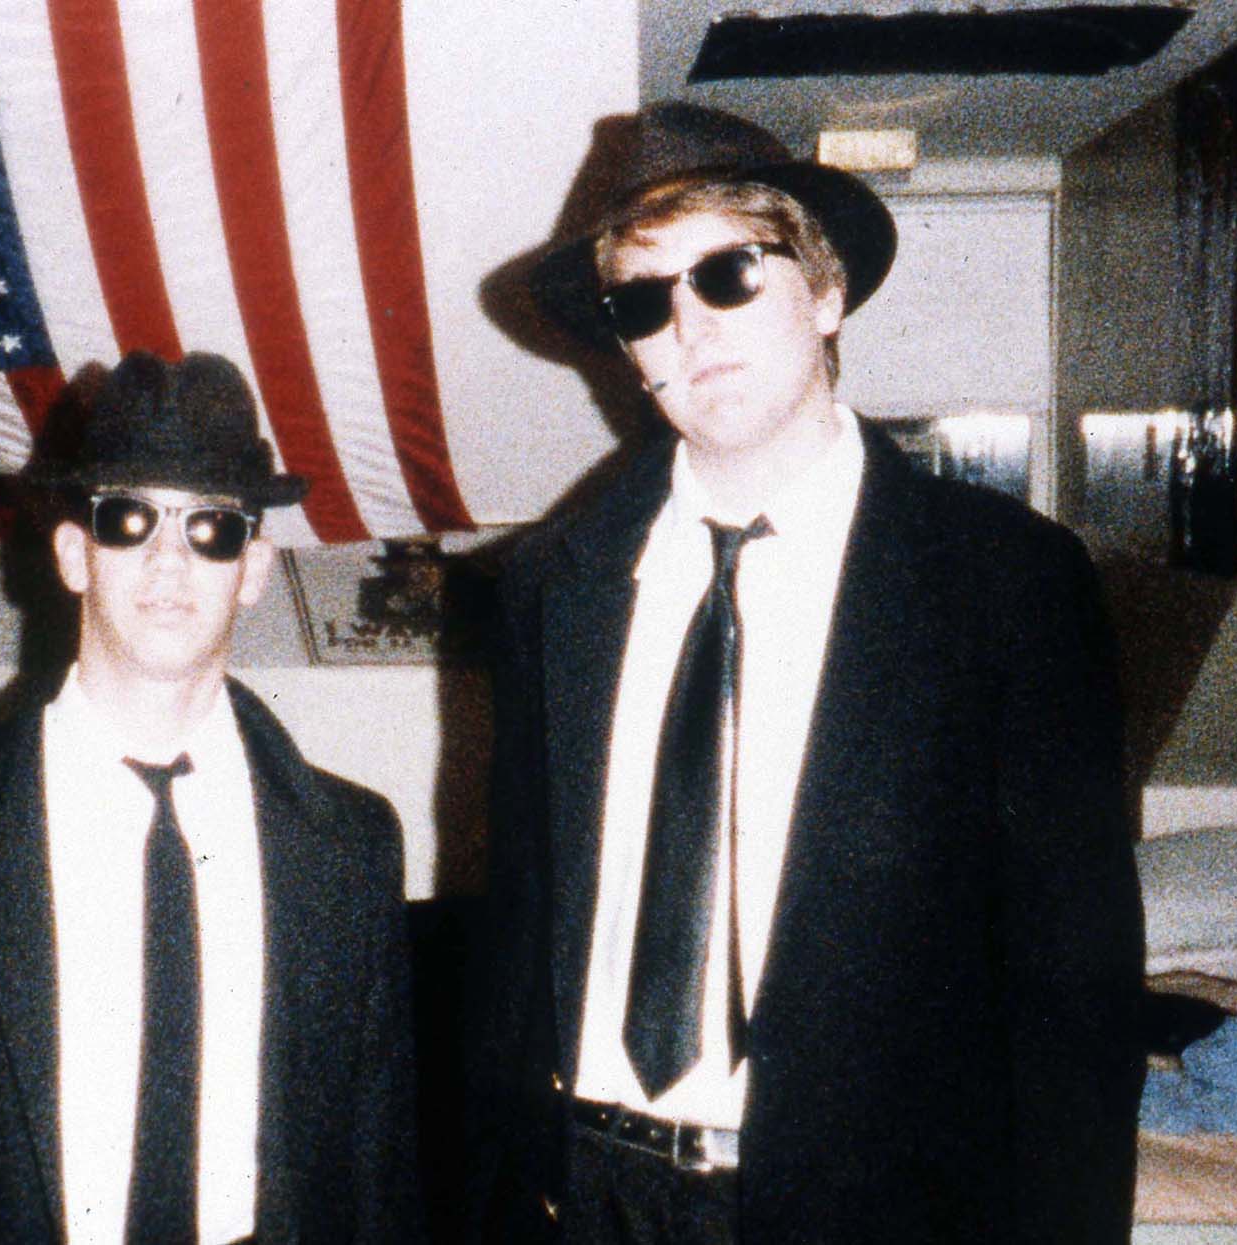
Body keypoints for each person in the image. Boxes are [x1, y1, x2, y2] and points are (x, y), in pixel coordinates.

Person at [462, 102, 1144, 1243]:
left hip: (868, 1212)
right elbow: (517, 942)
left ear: (823, 292)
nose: (689, 326)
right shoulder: (550, 584)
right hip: (586, 1198)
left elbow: (1076, 988)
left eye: (727, 274)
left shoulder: (1001, 582)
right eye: (644, 302)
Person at [0, 350, 424, 1244]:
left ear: (255, 568)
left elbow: (379, 1176)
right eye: (129, 518)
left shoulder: (349, 845)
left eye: (211, 526)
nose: (168, 557)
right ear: (75, 553)